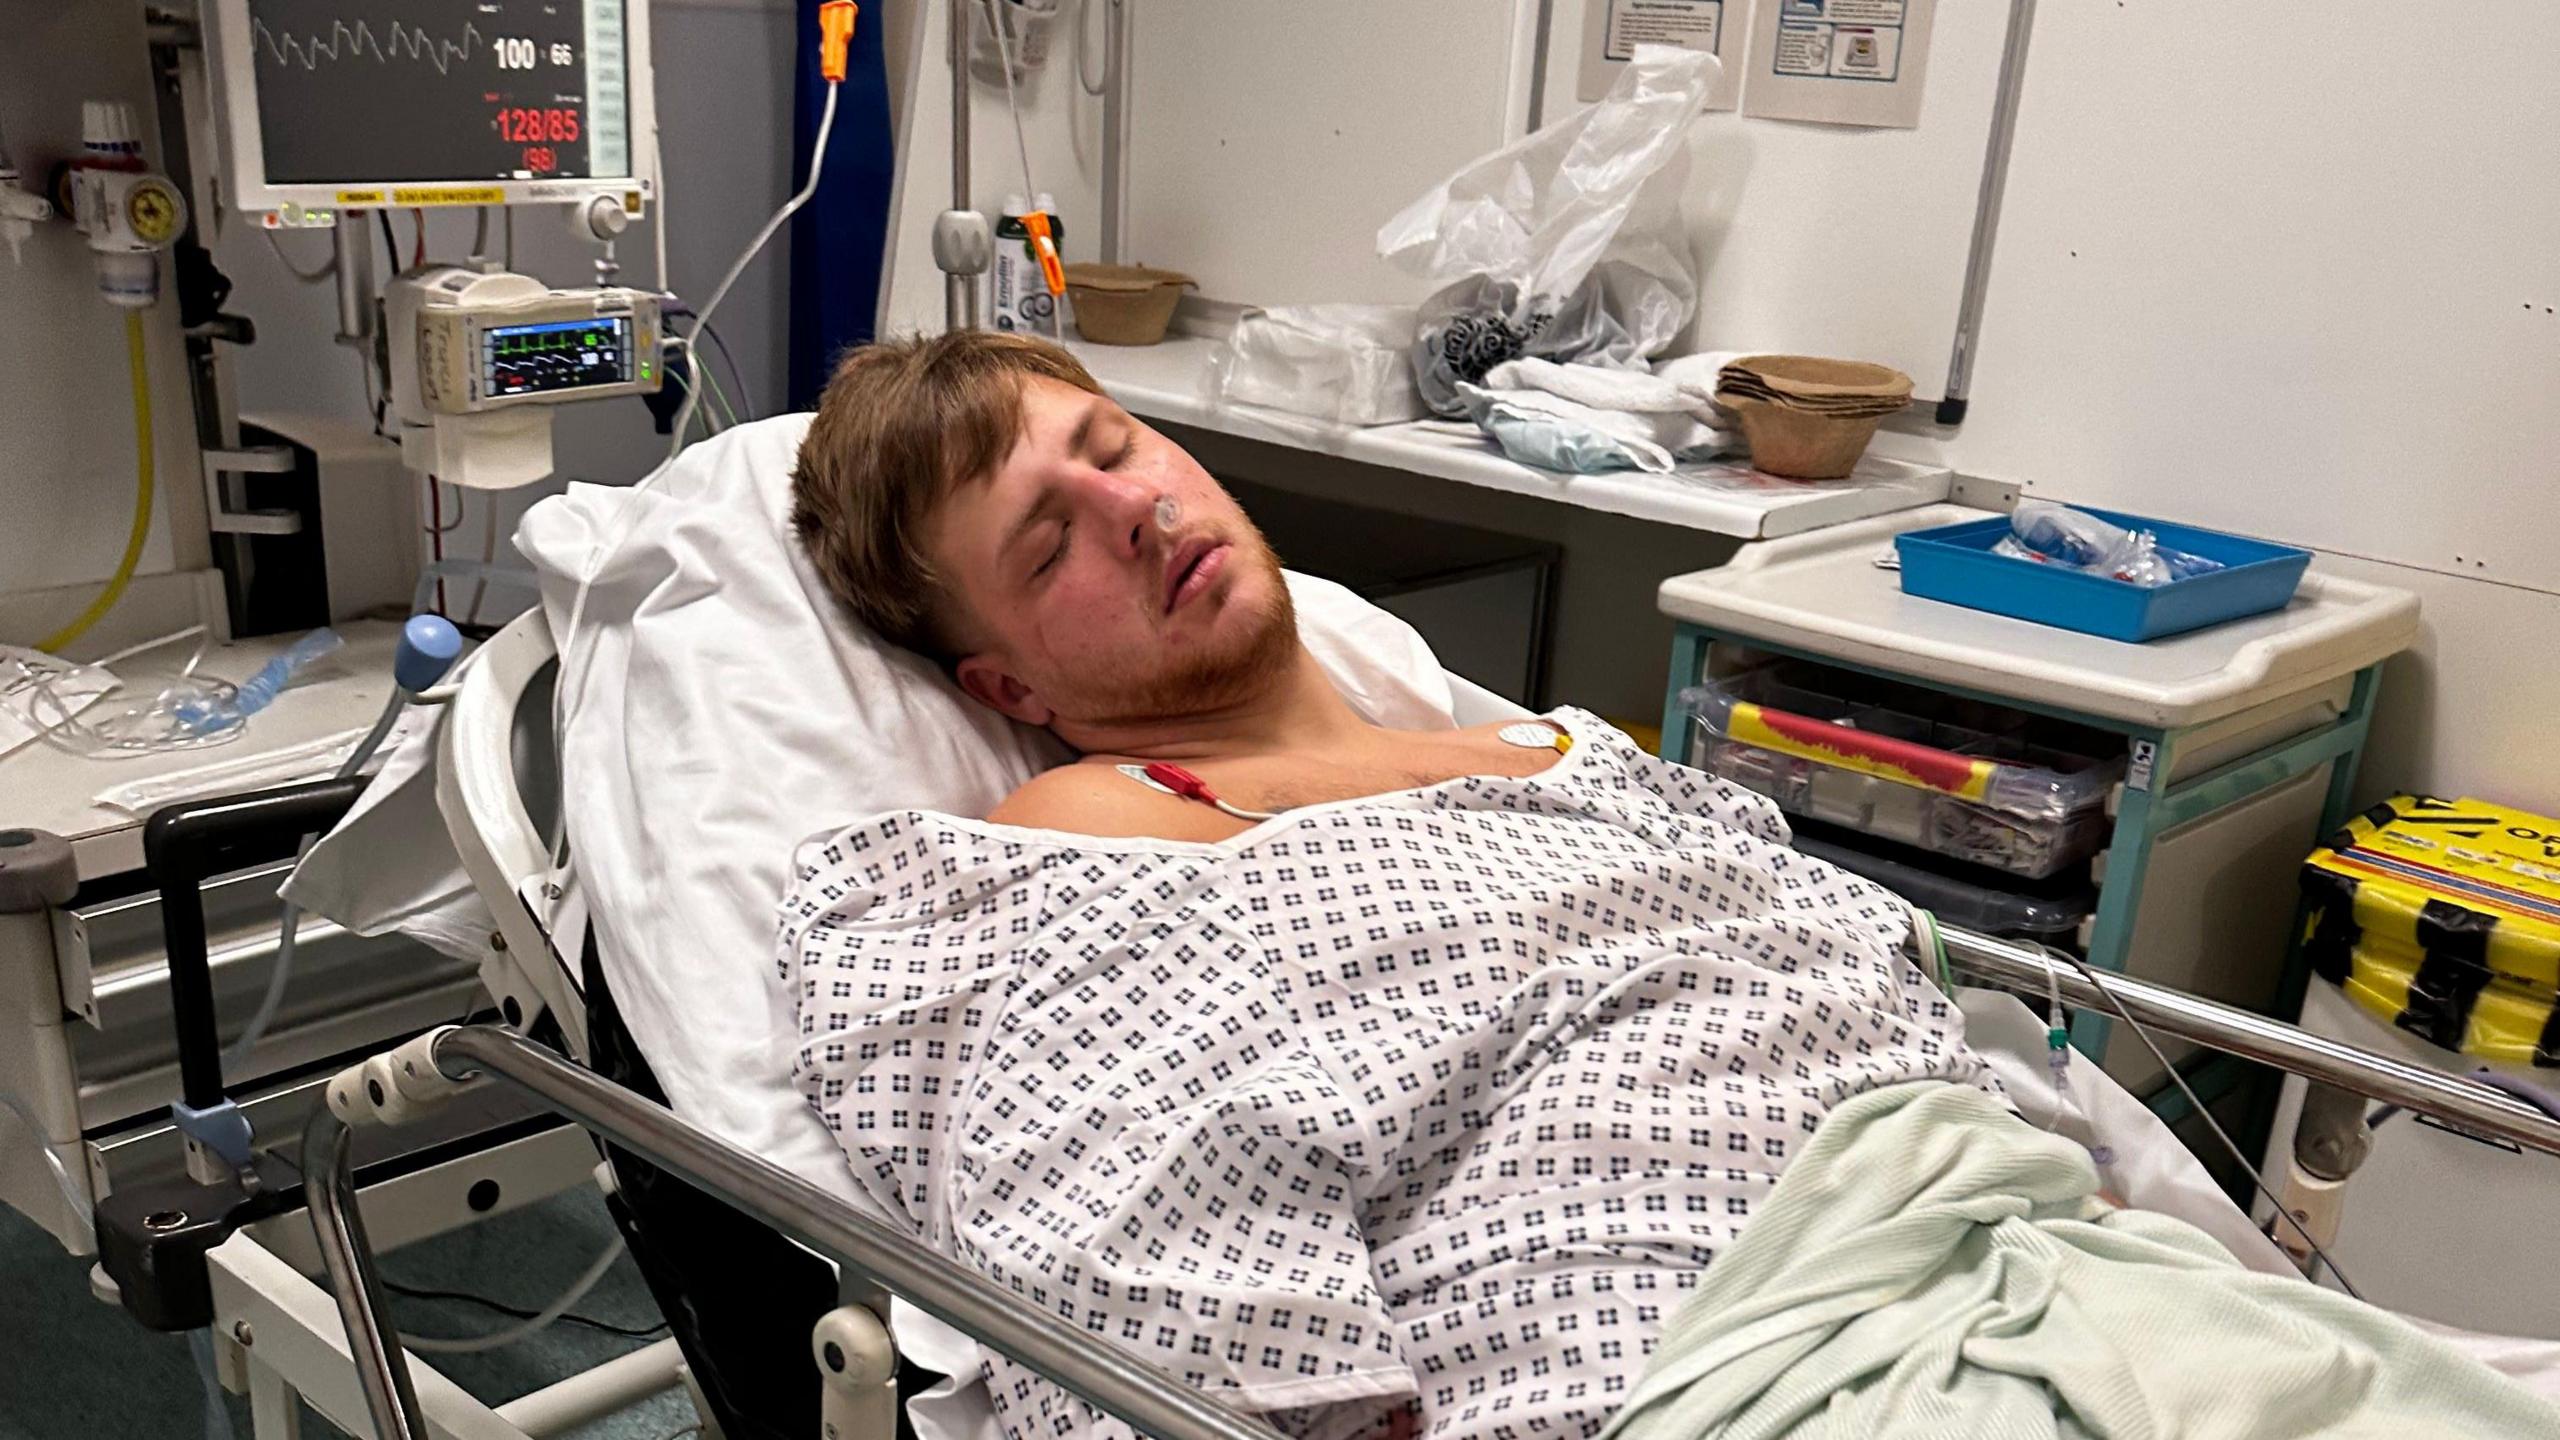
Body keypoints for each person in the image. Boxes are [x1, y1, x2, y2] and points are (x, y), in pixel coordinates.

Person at [789, 329, 1569, 844]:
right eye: (1050, 545)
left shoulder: (1551, 747)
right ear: (1009, 689)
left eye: (1114, 452)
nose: (1133, 505)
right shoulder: (1094, 828)